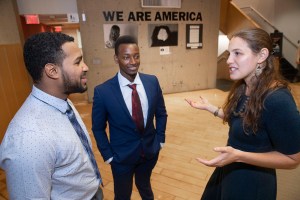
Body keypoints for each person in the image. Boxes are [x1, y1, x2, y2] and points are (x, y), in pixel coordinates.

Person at [185, 28, 300, 199]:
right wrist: (213, 109)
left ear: (261, 56)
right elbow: (246, 120)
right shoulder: (244, 87)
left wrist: (239, 156)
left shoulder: (278, 99)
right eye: (229, 53)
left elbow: (293, 159)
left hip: (252, 183)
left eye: (237, 53)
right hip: (229, 170)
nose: (229, 60)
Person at [0, 32, 103, 200]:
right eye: (78, 62)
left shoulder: (61, 100)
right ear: (52, 71)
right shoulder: (29, 138)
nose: (86, 67)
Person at [92, 35, 167, 200]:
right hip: (121, 158)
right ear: (116, 58)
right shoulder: (103, 91)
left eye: (136, 56)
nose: (133, 61)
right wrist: (109, 155)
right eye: (126, 57)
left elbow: (161, 113)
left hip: (149, 152)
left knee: (145, 186)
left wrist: (160, 140)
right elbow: (98, 128)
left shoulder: (152, 82)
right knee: (122, 195)